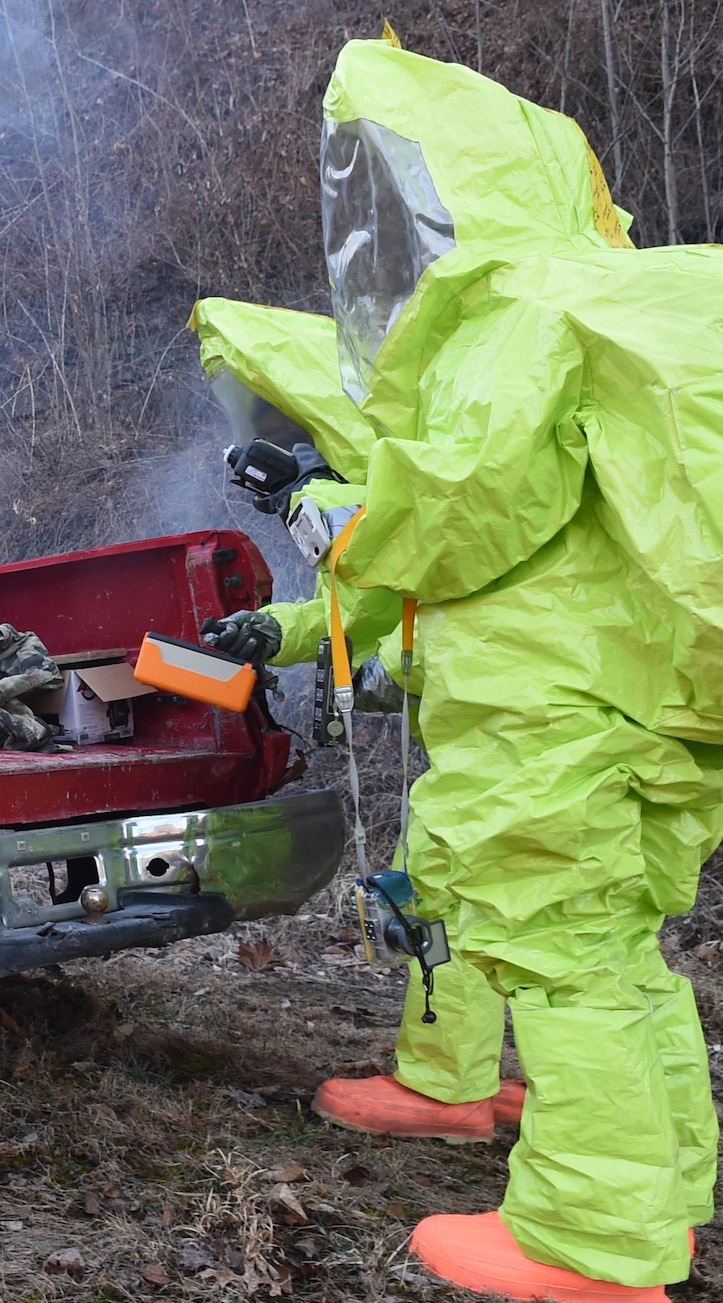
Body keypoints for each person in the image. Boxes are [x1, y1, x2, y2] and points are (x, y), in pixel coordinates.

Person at [295, 32, 723, 1303]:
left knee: (558, 957)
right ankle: (663, 1197)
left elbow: (463, 508)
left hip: (553, 706)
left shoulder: (517, 311)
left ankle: (591, 1236)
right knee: (618, 956)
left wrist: (338, 523)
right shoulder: (607, 295)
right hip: (651, 696)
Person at [191, 296, 527, 1144]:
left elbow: (416, 564)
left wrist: (309, 500)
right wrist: (279, 633)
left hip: (520, 719)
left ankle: (447, 1089)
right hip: (539, 712)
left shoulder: (417, 473)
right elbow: (375, 603)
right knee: (551, 921)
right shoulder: (425, 462)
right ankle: (561, 1095)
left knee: (445, 893)